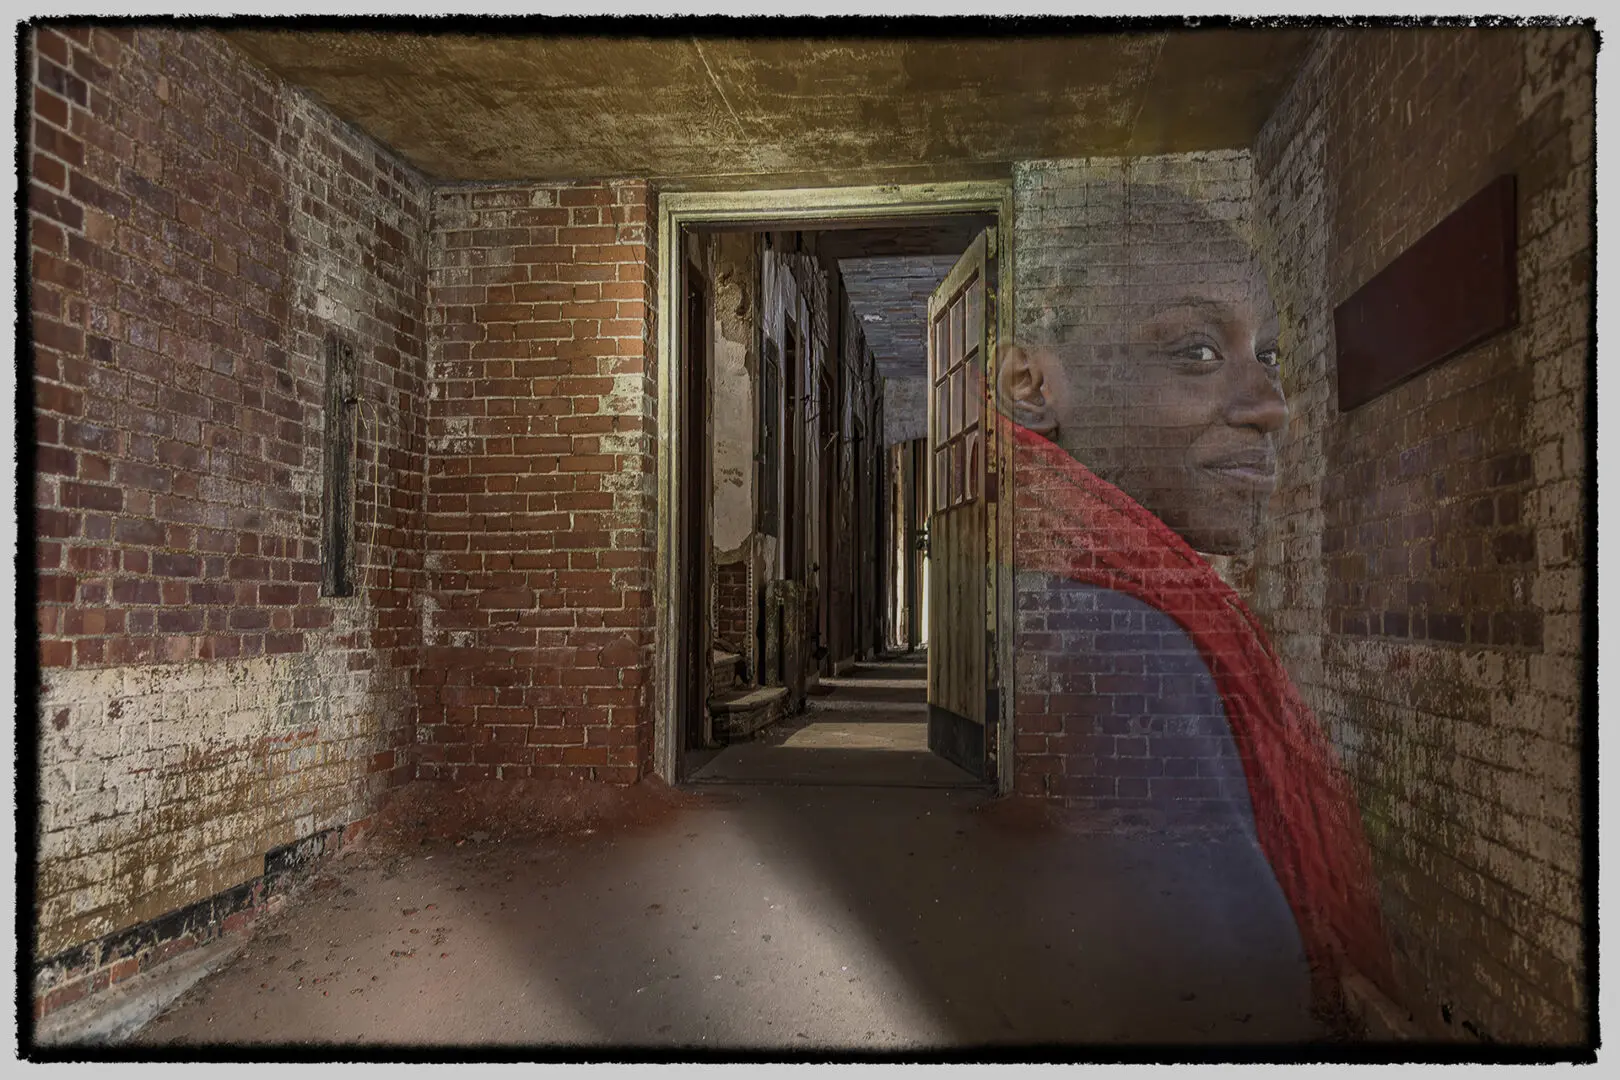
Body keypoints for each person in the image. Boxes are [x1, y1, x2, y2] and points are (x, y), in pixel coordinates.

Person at [1000, 180, 1394, 1014]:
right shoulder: (1125, 641)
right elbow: (1232, 1003)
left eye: (1269, 355)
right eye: (1198, 352)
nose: (1271, 406)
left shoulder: (1059, 585)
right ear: (1033, 385)